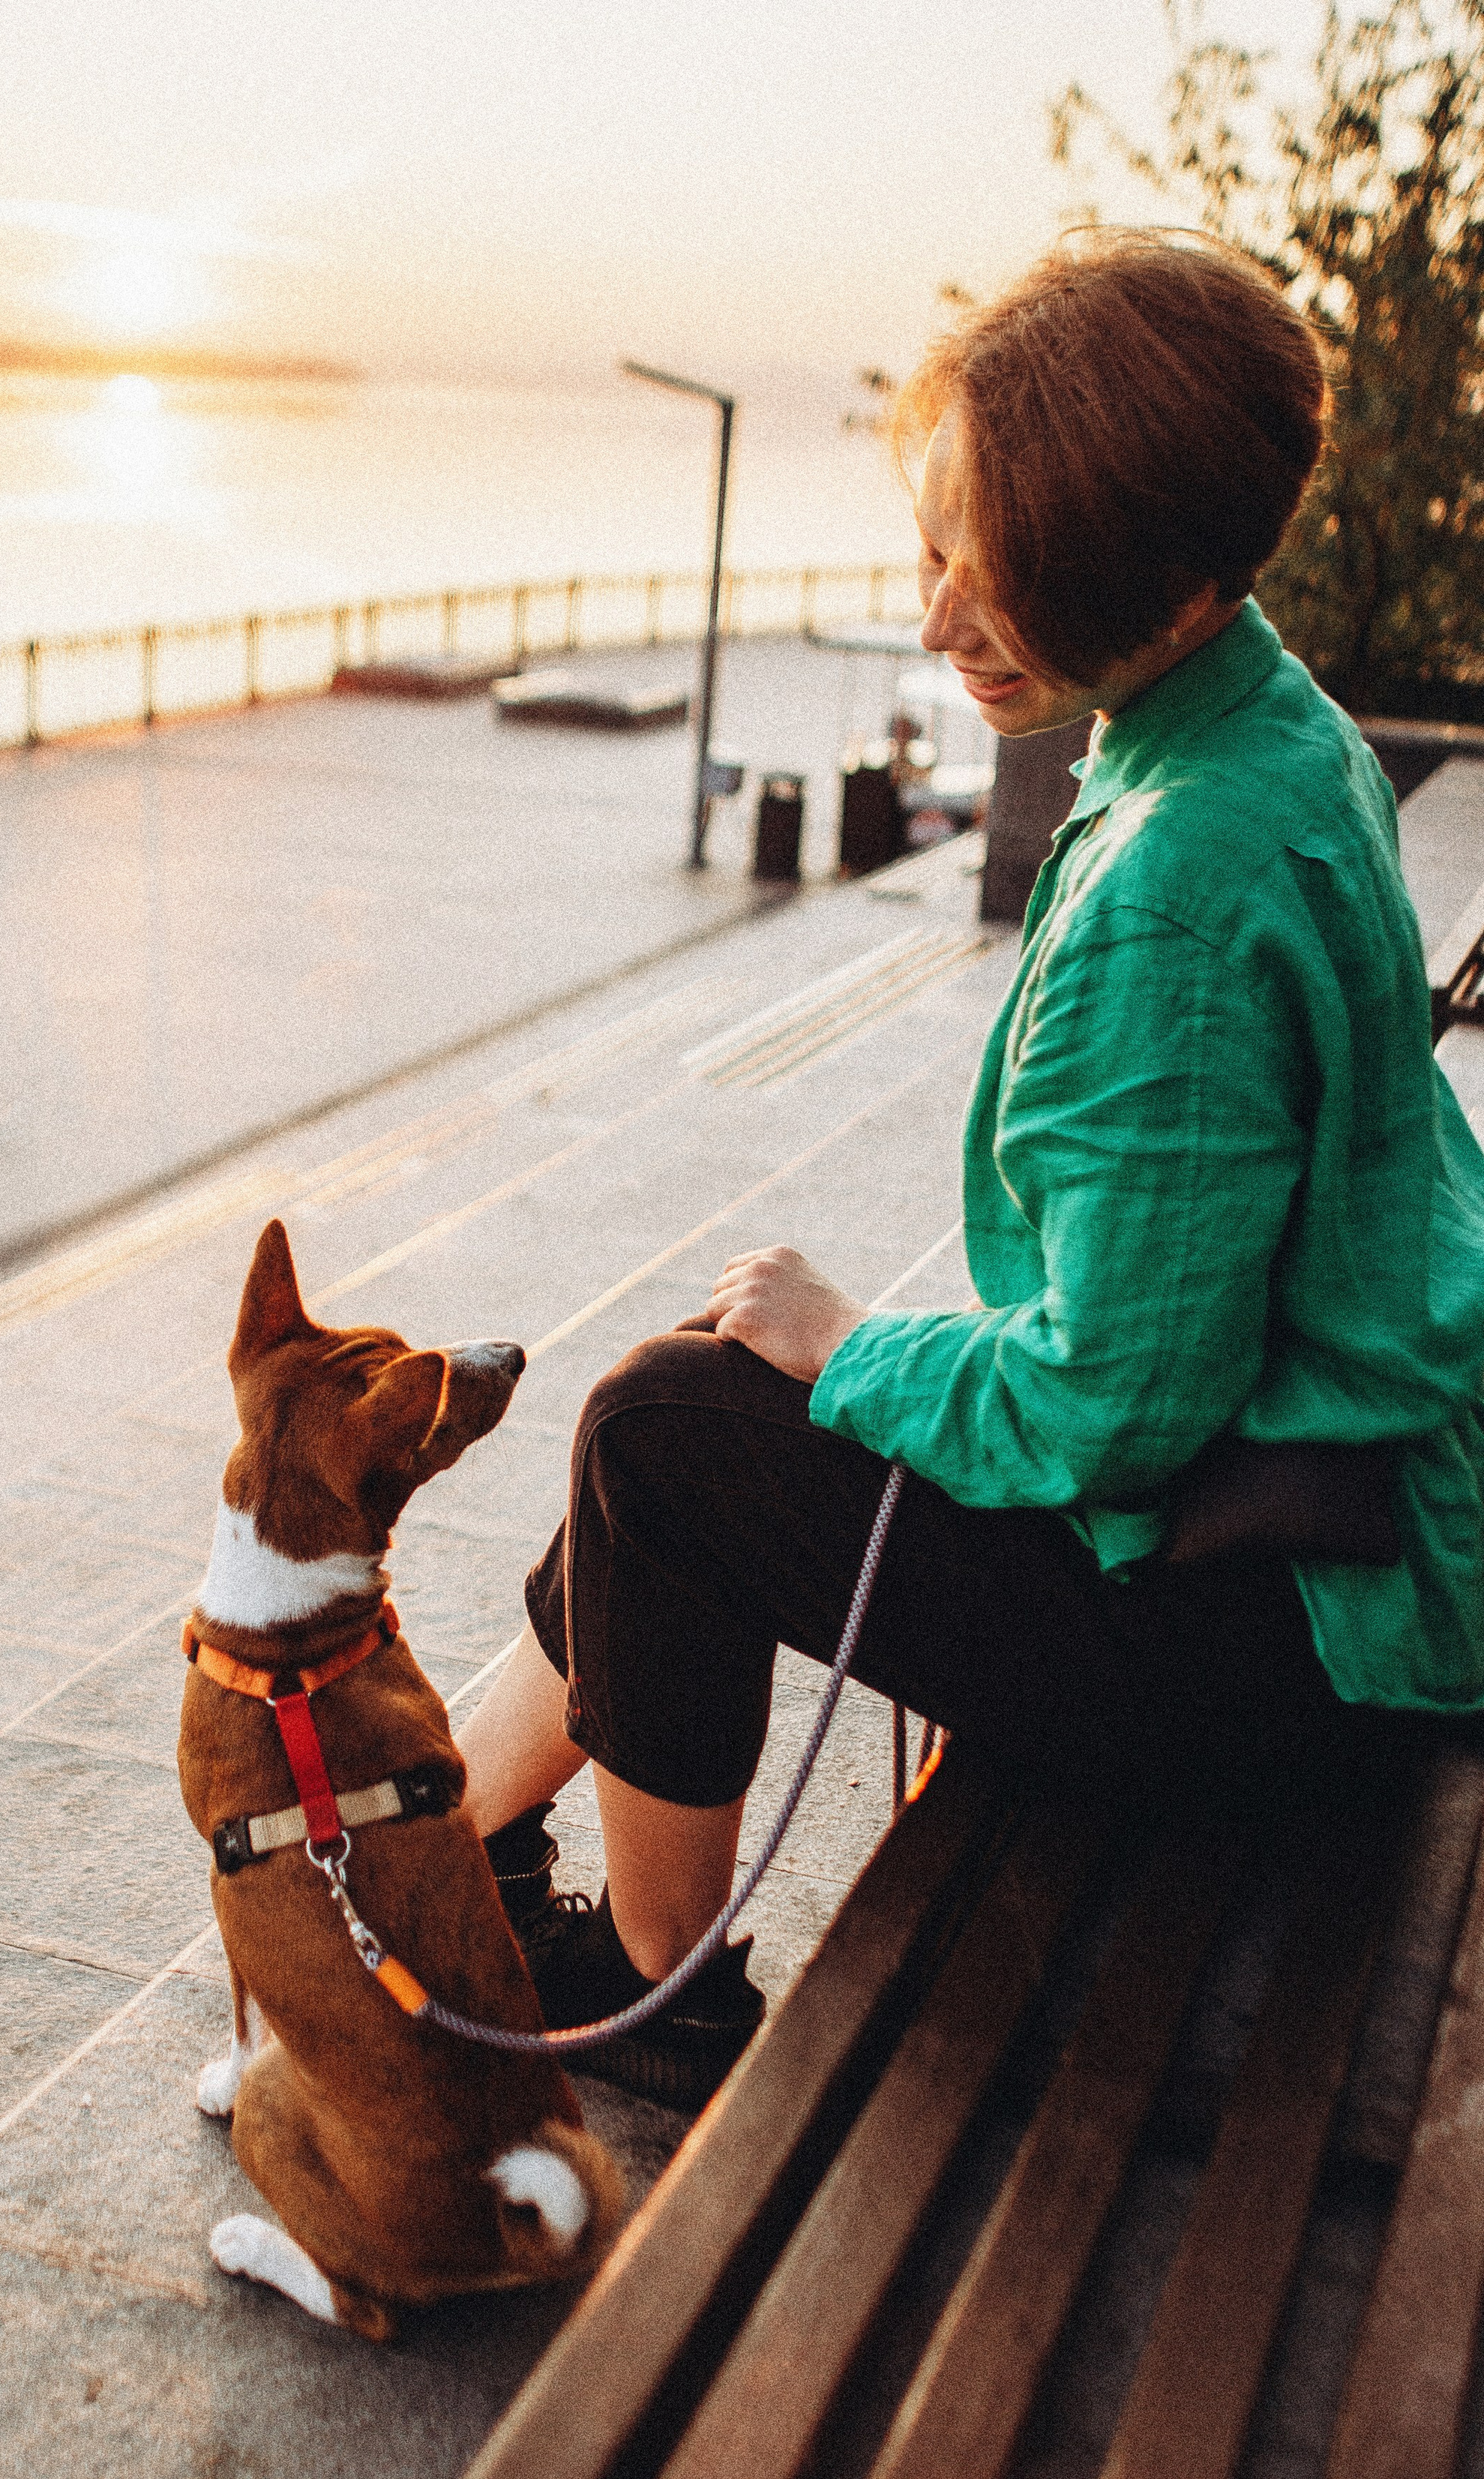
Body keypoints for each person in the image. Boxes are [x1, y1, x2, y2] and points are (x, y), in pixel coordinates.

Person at [458, 227, 1484, 2113]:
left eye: (997, 590)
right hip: (1353, 1527)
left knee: (663, 1431)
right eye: (935, 545)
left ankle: (643, 1982)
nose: (936, 620)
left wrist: (851, 1345)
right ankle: (431, 1839)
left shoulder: (1177, 885)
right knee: (694, 1425)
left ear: (1166, 587)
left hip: (1272, 1646)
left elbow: (1109, 1412)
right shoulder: (1271, 725)